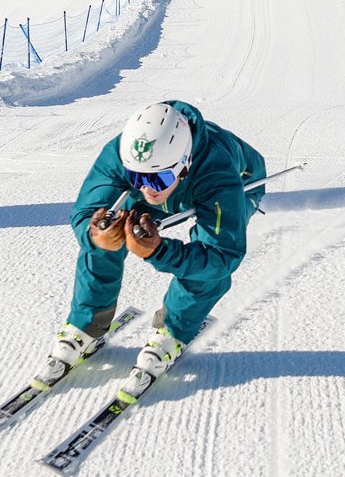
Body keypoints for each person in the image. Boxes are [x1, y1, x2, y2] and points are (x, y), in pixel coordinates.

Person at [42, 101, 267, 397]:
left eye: (157, 178)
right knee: (105, 230)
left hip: (241, 182)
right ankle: (88, 325)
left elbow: (221, 257)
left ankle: (172, 330)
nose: (147, 190)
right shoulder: (122, 154)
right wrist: (95, 234)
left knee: (206, 268)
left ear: (184, 163)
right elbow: (87, 211)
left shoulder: (218, 172)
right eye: (137, 178)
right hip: (176, 184)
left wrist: (160, 251)